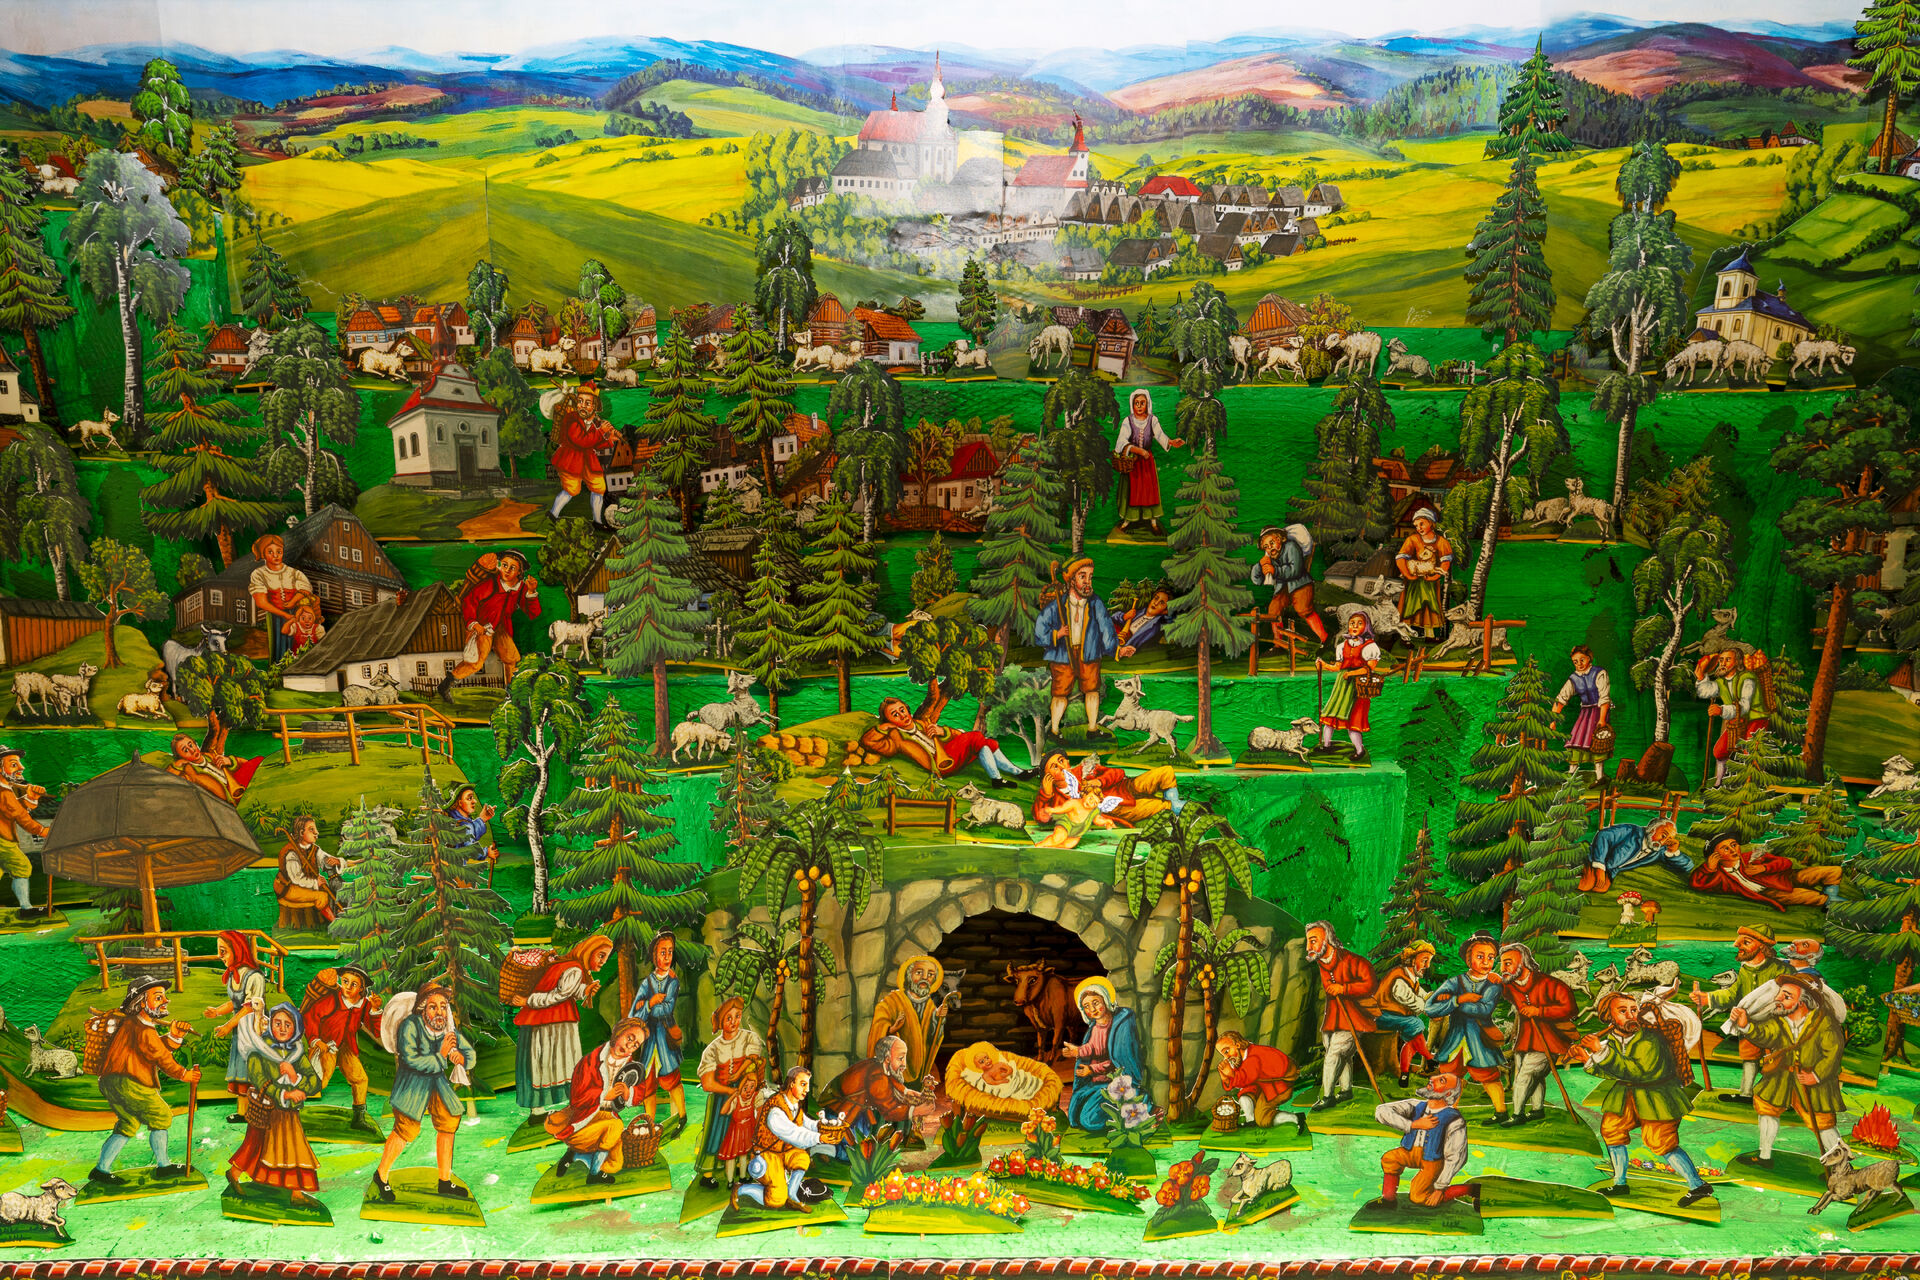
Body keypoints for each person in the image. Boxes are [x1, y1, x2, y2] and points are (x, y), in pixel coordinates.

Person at [1581, 990, 1714, 1209]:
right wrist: (1588, 1059)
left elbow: (1638, 1071)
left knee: (1661, 1141)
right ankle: (1620, 1183)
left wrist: (1601, 1052)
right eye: (1623, 1011)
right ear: (1609, 1016)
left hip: (1657, 1097)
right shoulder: (1613, 1039)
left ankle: (1698, 1186)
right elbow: (1614, 1071)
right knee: (1612, 1129)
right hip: (1627, 1095)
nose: (1631, 1015)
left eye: (1634, 1010)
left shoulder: (1651, 1039)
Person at [89, 975, 200, 1185]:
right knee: (161, 1115)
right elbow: (159, 1056)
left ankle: (101, 1169)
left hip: (112, 1081)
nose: (165, 1001)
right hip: (130, 1082)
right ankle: (164, 1166)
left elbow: (153, 1048)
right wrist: (184, 1074)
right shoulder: (142, 1028)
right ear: (141, 1002)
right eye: (158, 998)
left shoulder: (135, 1024)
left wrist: (174, 1036)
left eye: (164, 997)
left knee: (128, 1123)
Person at [373, 983, 476, 1203]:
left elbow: (469, 1053)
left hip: (436, 1082)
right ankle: (381, 1176)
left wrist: (462, 1058)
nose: (439, 1012)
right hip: (412, 1084)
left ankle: (444, 1181)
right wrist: (442, 1055)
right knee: (406, 1128)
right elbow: (411, 1060)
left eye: (443, 1006)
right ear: (422, 1008)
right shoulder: (410, 1025)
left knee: (449, 1119)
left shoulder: (447, 1029)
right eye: (433, 1007)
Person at [1731, 974, 1844, 1169]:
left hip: (1812, 1082)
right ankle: (1764, 1157)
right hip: (1781, 1077)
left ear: (1802, 1002)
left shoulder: (1824, 1023)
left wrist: (1815, 1076)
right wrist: (1746, 1025)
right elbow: (1765, 1035)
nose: (1778, 999)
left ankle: (1842, 1167)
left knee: (1823, 1123)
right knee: (1767, 1109)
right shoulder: (1779, 1020)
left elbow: (1832, 1054)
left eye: (1786, 996)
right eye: (1780, 994)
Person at [227, 1002, 322, 1206]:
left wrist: (295, 1078)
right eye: (277, 1023)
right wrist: (285, 1094)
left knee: (295, 1149)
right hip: (267, 1108)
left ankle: (296, 1193)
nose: (282, 1029)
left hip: (289, 1113)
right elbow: (259, 1080)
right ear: (270, 1025)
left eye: (288, 1024)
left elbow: (314, 1082)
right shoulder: (259, 1051)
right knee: (255, 1146)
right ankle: (234, 1173)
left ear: (296, 1027)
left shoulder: (297, 1053)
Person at [512, 934, 612, 1119]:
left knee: (543, 1064)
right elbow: (557, 996)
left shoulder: (568, 965)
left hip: (546, 1021)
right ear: (589, 952)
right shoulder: (575, 969)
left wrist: (584, 990)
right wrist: (528, 1001)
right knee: (555, 1062)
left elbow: (567, 990)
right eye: (601, 955)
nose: (603, 961)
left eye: (606, 957)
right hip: (553, 1024)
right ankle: (566, 1107)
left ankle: (540, 1110)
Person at [1692, 923, 1790, 1105]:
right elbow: (1733, 994)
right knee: (1749, 1058)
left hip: (1775, 1025)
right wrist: (1707, 998)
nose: (1737, 945)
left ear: (1762, 946)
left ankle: (1776, 1096)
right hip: (1748, 1023)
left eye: (1746, 942)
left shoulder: (1781, 970)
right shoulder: (1745, 969)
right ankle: (1746, 1094)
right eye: (1739, 941)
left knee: (1776, 1060)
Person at [546, 1018, 647, 1185]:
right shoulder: (590, 1062)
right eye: (629, 1038)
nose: (630, 1045)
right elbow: (577, 1099)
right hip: (584, 1121)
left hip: (607, 1119)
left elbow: (640, 1093)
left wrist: (627, 1093)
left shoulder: (631, 1067)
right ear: (618, 1032)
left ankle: (574, 1155)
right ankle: (593, 1174)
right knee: (616, 1126)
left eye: (636, 1044)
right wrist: (605, 1096)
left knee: (615, 1165)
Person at [1425, 932, 1510, 1124]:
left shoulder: (1493, 984)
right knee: (1449, 1075)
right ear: (1468, 958)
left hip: (1479, 1041)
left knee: (1488, 1076)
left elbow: (1483, 1010)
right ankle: (1447, 1112)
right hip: (1455, 1040)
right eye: (1480, 956)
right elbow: (1430, 1007)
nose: (1486, 962)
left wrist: (1452, 1004)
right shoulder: (1455, 982)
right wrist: (1459, 999)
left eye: (1491, 957)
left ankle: (1501, 1112)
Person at [857, 695, 1029, 789]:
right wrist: (883, 727)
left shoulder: (921, 724)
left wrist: (942, 731)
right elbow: (868, 741)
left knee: (984, 744)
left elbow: (955, 735)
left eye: (902, 710)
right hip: (940, 766)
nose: (902, 715)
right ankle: (1006, 776)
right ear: (889, 721)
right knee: (977, 737)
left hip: (948, 754)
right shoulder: (897, 739)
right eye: (895, 715)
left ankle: (1012, 775)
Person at [1033, 557, 1122, 739]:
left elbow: (1106, 628)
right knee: (1060, 693)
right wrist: (1057, 634)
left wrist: (1117, 650)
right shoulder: (1057, 605)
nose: (1088, 582)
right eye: (1083, 576)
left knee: (1092, 690)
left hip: (1089, 652)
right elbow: (1040, 631)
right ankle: (1054, 731)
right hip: (1062, 654)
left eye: (1090, 577)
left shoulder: (1095, 603)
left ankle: (1092, 729)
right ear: (1071, 580)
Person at [438, 549, 541, 699]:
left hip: (501, 627)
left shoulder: (520, 589)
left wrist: (531, 592)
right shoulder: (490, 584)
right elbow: (469, 601)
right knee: (476, 662)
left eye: (512, 567)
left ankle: (512, 694)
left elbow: (533, 613)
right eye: (504, 565)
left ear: (519, 572)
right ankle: (446, 685)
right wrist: (474, 623)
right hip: (482, 626)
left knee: (512, 659)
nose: (507, 570)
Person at [736, 1066, 840, 1212]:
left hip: (783, 1152)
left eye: (807, 1085)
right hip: (767, 1154)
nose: (807, 1089)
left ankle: (792, 1196)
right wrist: (820, 1138)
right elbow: (794, 1133)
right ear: (791, 1084)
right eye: (803, 1084)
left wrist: (822, 1126)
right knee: (777, 1199)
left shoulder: (794, 1105)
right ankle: (740, 1189)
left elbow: (806, 1123)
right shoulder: (776, 1111)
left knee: (801, 1158)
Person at [1497, 942, 1576, 1127]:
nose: (1503, 969)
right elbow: (1497, 989)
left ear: (1523, 963)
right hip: (1524, 1040)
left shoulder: (1549, 983)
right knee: (1534, 1076)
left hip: (1548, 1040)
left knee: (1525, 1076)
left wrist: (1539, 1011)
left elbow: (1570, 1008)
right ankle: (1537, 1109)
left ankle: (1517, 1114)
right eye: (1502, 964)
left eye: (1508, 963)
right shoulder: (1511, 986)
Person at [696, 997, 767, 1189]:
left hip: (747, 1094)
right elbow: (707, 1083)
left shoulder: (749, 1038)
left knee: (745, 1132)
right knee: (717, 1133)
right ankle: (709, 1173)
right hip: (722, 1097)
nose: (734, 1021)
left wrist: (738, 1076)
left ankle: (742, 1168)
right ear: (720, 1022)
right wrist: (730, 1090)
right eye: (729, 1018)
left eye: (737, 1016)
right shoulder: (713, 1049)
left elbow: (753, 1060)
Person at [1374, 1071, 1473, 1209]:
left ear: (1448, 1093)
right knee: (1390, 1158)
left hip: (1433, 1161)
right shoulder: (1416, 1106)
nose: (1432, 1079)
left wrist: (1440, 1188)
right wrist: (1412, 1125)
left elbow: (1455, 1156)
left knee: (1418, 1196)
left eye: (1441, 1080)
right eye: (1436, 1076)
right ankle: (1388, 1200)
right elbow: (1381, 1111)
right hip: (1410, 1152)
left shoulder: (1454, 1119)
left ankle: (1470, 1190)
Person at [1304, 920, 1375, 1111]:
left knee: (1334, 1054)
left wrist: (1344, 988)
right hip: (1333, 1018)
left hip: (1353, 1018)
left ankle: (1327, 1097)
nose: (1308, 947)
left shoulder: (1352, 960)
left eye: (1313, 941)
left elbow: (1369, 984)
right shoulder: (1322, 962)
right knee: (1341, 1054)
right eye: (1308, 941)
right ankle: (1346, 1090)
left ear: (1327, 940)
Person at [1059, 976, 1146, 1132]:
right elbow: (1092, 1048)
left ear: (1105, 1000)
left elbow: (1118, 1061)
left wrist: (1092, 1069)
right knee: (1074, 1116)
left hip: (1115, 1084)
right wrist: (1077, 1051)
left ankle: (1138, 1109)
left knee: (1088, 1120)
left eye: (1096, 1003)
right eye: (1086, 1006)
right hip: (1096, 1083)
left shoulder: (1121, 1025)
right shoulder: (1094, 1028)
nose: (1092, 1009)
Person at [302, 964, 382, 1130]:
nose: (348, 987)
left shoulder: (364, 1005)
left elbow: (376, 1030)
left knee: (360, 1079)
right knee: (321, 1081)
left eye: (354, 984)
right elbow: (311, 1017)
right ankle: (289, 1110)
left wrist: (375, 1010)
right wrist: (316, 1040)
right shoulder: (331, 1000)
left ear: (361, 988)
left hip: (346, 1046)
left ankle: (358, 1119)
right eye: (345, 981)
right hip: (327, 1044)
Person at [205, 929, 268, 1126]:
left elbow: (249, 1007)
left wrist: (227, 1025)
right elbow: (234, 1003)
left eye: (223, 951)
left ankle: (259, 1111)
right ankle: (243, 1112)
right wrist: (217, 1011)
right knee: (241, 1071)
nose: (219, 956)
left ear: (237, 950)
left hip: (253, 1031)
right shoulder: (234, 975)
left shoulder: (254, 976)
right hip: (240, 1032)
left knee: (253, 1071)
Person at [628, 931, 687, 1134]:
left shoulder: (673, 982)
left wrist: (648, 1008)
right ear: (654, 955)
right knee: (647, 1084)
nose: (667, 956)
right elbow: (634, 1014)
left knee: (672, 1080)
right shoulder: (647, 983)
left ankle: (681, 1117)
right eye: (663, 952)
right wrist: (651, 1003)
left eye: (670, 952)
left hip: (665, 1041)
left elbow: (667, 1009)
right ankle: (649, 1124)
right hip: (649, 1043)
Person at [1690, 832, 1842, 911]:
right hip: (1770, 892)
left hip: (1786, 877)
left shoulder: (1750, 857)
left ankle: (1832, 898)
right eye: (1725, 848)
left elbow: (1785, 862)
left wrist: (1764, 868)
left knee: (1834, 871)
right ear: (1715, 856)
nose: (1732, 850)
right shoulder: (1720, 875)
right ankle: (1835, 903)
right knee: (1810, 896)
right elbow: (1697, 883)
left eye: (1734, 845)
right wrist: (1708, 868)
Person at [1031, 752, 1182, 829]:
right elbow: (1042, 818)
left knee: (1166, 772)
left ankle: (1175, 810)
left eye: (1061, 761)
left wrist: (1100, 781)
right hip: (1119, 807)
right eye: (1055, 767)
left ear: (1067, 761)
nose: (1062, 766)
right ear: (1048, 776)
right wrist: (1046, 795)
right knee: (1164, 806)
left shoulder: (1083, 770)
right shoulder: (1056, 796)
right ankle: (1180, 809)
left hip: (1126, 786)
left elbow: (1118, 773)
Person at [866, 956, 955, 1084]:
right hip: (896, 1068)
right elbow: (878, 1027)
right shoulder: (892, 1001)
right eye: (919, 972)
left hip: (920, 1067)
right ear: (909, 975)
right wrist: (891, 1029)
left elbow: (932, 1037)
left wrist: (937, 1018)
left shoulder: (929, 1005)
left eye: (930, 975)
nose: (925, 978)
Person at [546, 381, 622, 526]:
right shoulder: (571, 419)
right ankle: (552, 515)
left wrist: (608, 438)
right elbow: (582, 441)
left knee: (599, 487)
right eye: (580, 401)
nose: (582, 405)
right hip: (570, 459)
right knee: (572, 489)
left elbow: (595, 444)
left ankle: (597, 522)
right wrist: (601, 431)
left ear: (595, 406)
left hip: (587, 459)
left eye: (587, 403)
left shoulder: (594, 422)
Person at [824, 1034, 933, 1135]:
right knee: (851, 1145)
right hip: (841, 1114)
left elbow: (892, 1079)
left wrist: (906, 1091)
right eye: (900, 1058)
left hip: (855, 1111)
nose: (904, 1064)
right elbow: (889, 1110)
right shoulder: (877, 1076)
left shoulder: (879, 1065)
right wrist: (916, 1111)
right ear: (887, 1059)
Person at [1111, 390, 1184, 535]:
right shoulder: (1128, 421)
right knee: (1132, 492)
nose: (1139, 406)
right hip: (1132, 462)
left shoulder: (1152, 420)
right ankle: (1128, 520)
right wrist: (1138, 450)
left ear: (1147, 404)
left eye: (1142, 403)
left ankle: (1153, 522)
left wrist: (1171, 442)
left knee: (1149, 491)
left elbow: (1160, 435)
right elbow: (1121, 442)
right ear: (1132, 405)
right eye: (1136, 403)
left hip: (1147, 462)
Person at [1363, 940, 1435, 1087]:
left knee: (1412, 1042)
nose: (1427, 966)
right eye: (1424, 960)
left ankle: (1404, 1074)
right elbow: (1408, 997)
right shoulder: (1399, 976)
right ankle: (1429, 1058)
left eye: (1429, 961)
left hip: (1393, 1017)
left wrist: (1433, 999)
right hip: (1380, 1016)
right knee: (1415, 1023)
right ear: (1412, 960)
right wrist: (1427, 1009)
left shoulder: (1412, 978)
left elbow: (1422, 995)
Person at [1316, 612, 1381, 761]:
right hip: (1342, 686)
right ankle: (1326, 745)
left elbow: (1369, 668)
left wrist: (1352, 674)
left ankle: (1359, 750)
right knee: (1331, 713)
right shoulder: (1342, 646)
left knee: (1354, 720)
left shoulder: (1370, 646)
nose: (1355, 626)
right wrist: (1323, 665)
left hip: (1358, 687)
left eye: (1359, 623)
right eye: (1352, 623)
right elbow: (1337, 667)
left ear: (1366, 626)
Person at [1250, 524, 1328, 648]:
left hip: (1301, 584)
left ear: (1280, 538)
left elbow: (1295, 570)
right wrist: (1260, 565)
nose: (1270, 548)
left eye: (1272, 543)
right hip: (1283, 587)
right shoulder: (1270, 557)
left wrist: (1275, 571)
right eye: (1266, 547)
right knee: (1274, 611)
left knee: (1304, 610)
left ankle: (1325, 638)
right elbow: (1256, 580)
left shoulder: (1291, 547)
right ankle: (1279, 644)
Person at [1694, 648, 1759, 787]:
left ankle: (1749, 785)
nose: (1723, 663)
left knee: (1749, 751)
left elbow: (1745, 706)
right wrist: (1700, 678)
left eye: (1728, 659)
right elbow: (1705, 692)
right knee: (1720, 750)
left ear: (1738, 662)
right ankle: (1719, 782)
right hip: (1737, 721)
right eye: (1721, 660)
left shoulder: (1747, 679)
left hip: (1755, 719)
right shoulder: (1721, 681)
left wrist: (1721, 710)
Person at [1216, 1031, 1304, 1133]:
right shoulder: (1240, 1057)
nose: (1226, 1057)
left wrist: (1231, 1074)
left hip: (1279, 1084)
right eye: (1223, 1054)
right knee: (1245, 1097)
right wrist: (1225, 1077)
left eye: (1226, 1051)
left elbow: (1244, 1079)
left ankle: (1296, 1118)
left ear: (1238, 1045)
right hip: (1261, 1083)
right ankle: (1251, 1121)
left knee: (1263, 1119)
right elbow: (1241, 1077)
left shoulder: (1253, 1057)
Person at [248, 533, 314, 662]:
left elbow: (306, 589)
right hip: (274, 615)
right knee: (279, 644)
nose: (275, 555)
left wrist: (293, 601)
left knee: (297, 643)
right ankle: (279, 667)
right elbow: (261, 602)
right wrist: (283, 614)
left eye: (279, 551)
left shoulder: (293, 572)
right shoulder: (259, 573)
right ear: (263, 554)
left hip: (296, 613)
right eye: (270, 552)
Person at [0, 746, 49, 916]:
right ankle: (26, 909)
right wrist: (42, 830)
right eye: (14, 764)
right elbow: (20, 815)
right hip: (3, 840)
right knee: (22, 867)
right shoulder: (4, 792)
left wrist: (32, 797)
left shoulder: (7, 788)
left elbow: (19, 807)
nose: (21, 768)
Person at [1580, 819, 1690, 894]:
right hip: (1592, 858)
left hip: (1609, 871)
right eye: (1663, 835)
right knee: (1586, 884)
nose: (1663, 841)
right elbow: (1603, 835)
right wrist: (1599, 866)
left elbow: (1687, 866)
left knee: (1600, 888)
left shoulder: (1659, 851)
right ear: (1652, 830)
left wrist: (1673, 851)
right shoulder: (1631, 831)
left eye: (1668, 840)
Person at [1553, 645, 1613, 781]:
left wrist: (1602, 719)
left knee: (1598, 743)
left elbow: (1604, 698)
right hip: (1585, 713)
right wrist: (1553, 720)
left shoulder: (1599, 673)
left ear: (1589, 658)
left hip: (1599, 711)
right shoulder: (1574, 678)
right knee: (1575, 739)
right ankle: (1571, 773)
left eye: (1582, 660)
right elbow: (1561, 699)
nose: (1579, 664)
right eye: (1575, 662)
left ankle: (1600, 777)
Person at [1394, 508, 1453, 644]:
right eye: (1416, 525)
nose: (1419, 528)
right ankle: (1405, 636)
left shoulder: (1441, 542)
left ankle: (1430, 635)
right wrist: (1408, 575)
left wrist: (1435, 577)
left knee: (1429, 607)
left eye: (1422, 524)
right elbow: (1401, 558)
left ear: (1431, 522)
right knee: (1410, 607)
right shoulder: (1412, 539)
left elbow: (1445, 562)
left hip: (1430, 582)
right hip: (1413, 582)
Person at [1032, 768, 1125, 850]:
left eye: (1095, 803)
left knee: (1068, 845)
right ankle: (1040, 845)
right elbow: (1062, 808)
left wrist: (1106, 821)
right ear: (1085, 794)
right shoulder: (1075, 803)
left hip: (1078, 831)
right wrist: (1052, 810)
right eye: (1091, 798)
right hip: (1066, 824)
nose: (1091, 803)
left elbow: (1097, 820)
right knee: (1058, 838)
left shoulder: (1094, 810)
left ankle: (1051, 849)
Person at [273, 814, 339, 926]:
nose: (316, 832)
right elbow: (296, 878)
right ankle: (335, 924)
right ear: (301, 833)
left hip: (305, 885)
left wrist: (338, 861)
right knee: (321, 896)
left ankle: (339, 916)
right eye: (311, 829)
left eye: (315, 829)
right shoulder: (291, 853)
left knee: (329, 889)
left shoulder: (314, 849)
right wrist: (315, 883)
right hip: (288, 888)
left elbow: (326, 859)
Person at [717, 1055, 767, 1190]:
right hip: (736, 1132)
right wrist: (732, 1096)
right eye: (746, 1088)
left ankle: (743, 1177)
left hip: (748, 1130)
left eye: (752, 1087)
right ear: (741, 1086)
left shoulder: (756, 1096)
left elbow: (760, 1113)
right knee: (731, 1157)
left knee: (744, 1155)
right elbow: (723, 1111)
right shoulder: (737, 1099)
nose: (748, 1091)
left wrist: (759, 1131)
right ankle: (730, 1181)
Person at [167, 733, 261, 805]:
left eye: (191, 745)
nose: (192, 750)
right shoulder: (190, 773)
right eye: (186, 750)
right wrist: (177, 765)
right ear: (181, 757)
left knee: (258, 760)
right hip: (228, 799)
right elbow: (167, 782)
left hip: (237, 784)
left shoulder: (210, 756)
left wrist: (230, 761)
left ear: (195, 744)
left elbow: (244, 763)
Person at [443, 785, 497, 870]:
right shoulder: (463, 825)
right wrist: (487, 852)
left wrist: (482, 819)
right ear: (460, 803)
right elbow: (469, 849)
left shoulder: (454, 820)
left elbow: (471, 832)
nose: (474, 801)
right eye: (469, 798)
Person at [1114, 583, 1176, 651]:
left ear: (1165, 611)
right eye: (1156, 598)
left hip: (1121, 644)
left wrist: (1125, 641)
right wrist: (1124, 616)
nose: (1156, 603)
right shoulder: (1139, 613)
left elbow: (1137, 641)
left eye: (1161, 603)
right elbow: (1113, 617)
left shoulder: (1155, 626)